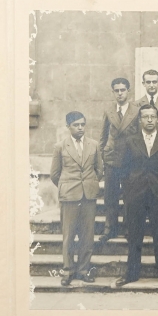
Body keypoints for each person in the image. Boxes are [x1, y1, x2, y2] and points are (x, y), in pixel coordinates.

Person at [115, 105, 158, 288]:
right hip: (136, 194)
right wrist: (130, 189)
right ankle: (131, 273)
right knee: (135, 235)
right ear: (140, 120)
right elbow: (123, 169)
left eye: (152, 117)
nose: (149, 120)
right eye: (145, 117)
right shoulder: (130, 141)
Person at [50, 111, 104, 286]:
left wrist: (89, 184)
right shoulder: (60, 146)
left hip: (88, 196)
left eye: (82, 124)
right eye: (76, 125)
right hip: (69, 197)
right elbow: (55, 174)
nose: (80, 128)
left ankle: (83, 270)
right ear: (68, 127)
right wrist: (67, 186)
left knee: (87, 235)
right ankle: (68, 271)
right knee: (69, 235)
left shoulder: (94, 145)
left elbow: (99, 170)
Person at [98, 77, 140, 243]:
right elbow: (103, 136)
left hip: (130, 159)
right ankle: (110, 229)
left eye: (123, 90)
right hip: (112, 158)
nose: (120, 93)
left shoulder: (136, 110)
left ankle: (129, 228)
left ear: (128, 91)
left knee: (130, 196)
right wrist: (102, 156)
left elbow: (140, 135)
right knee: (110, 196)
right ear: (113, 92)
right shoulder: (109, 111)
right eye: (117, 90)